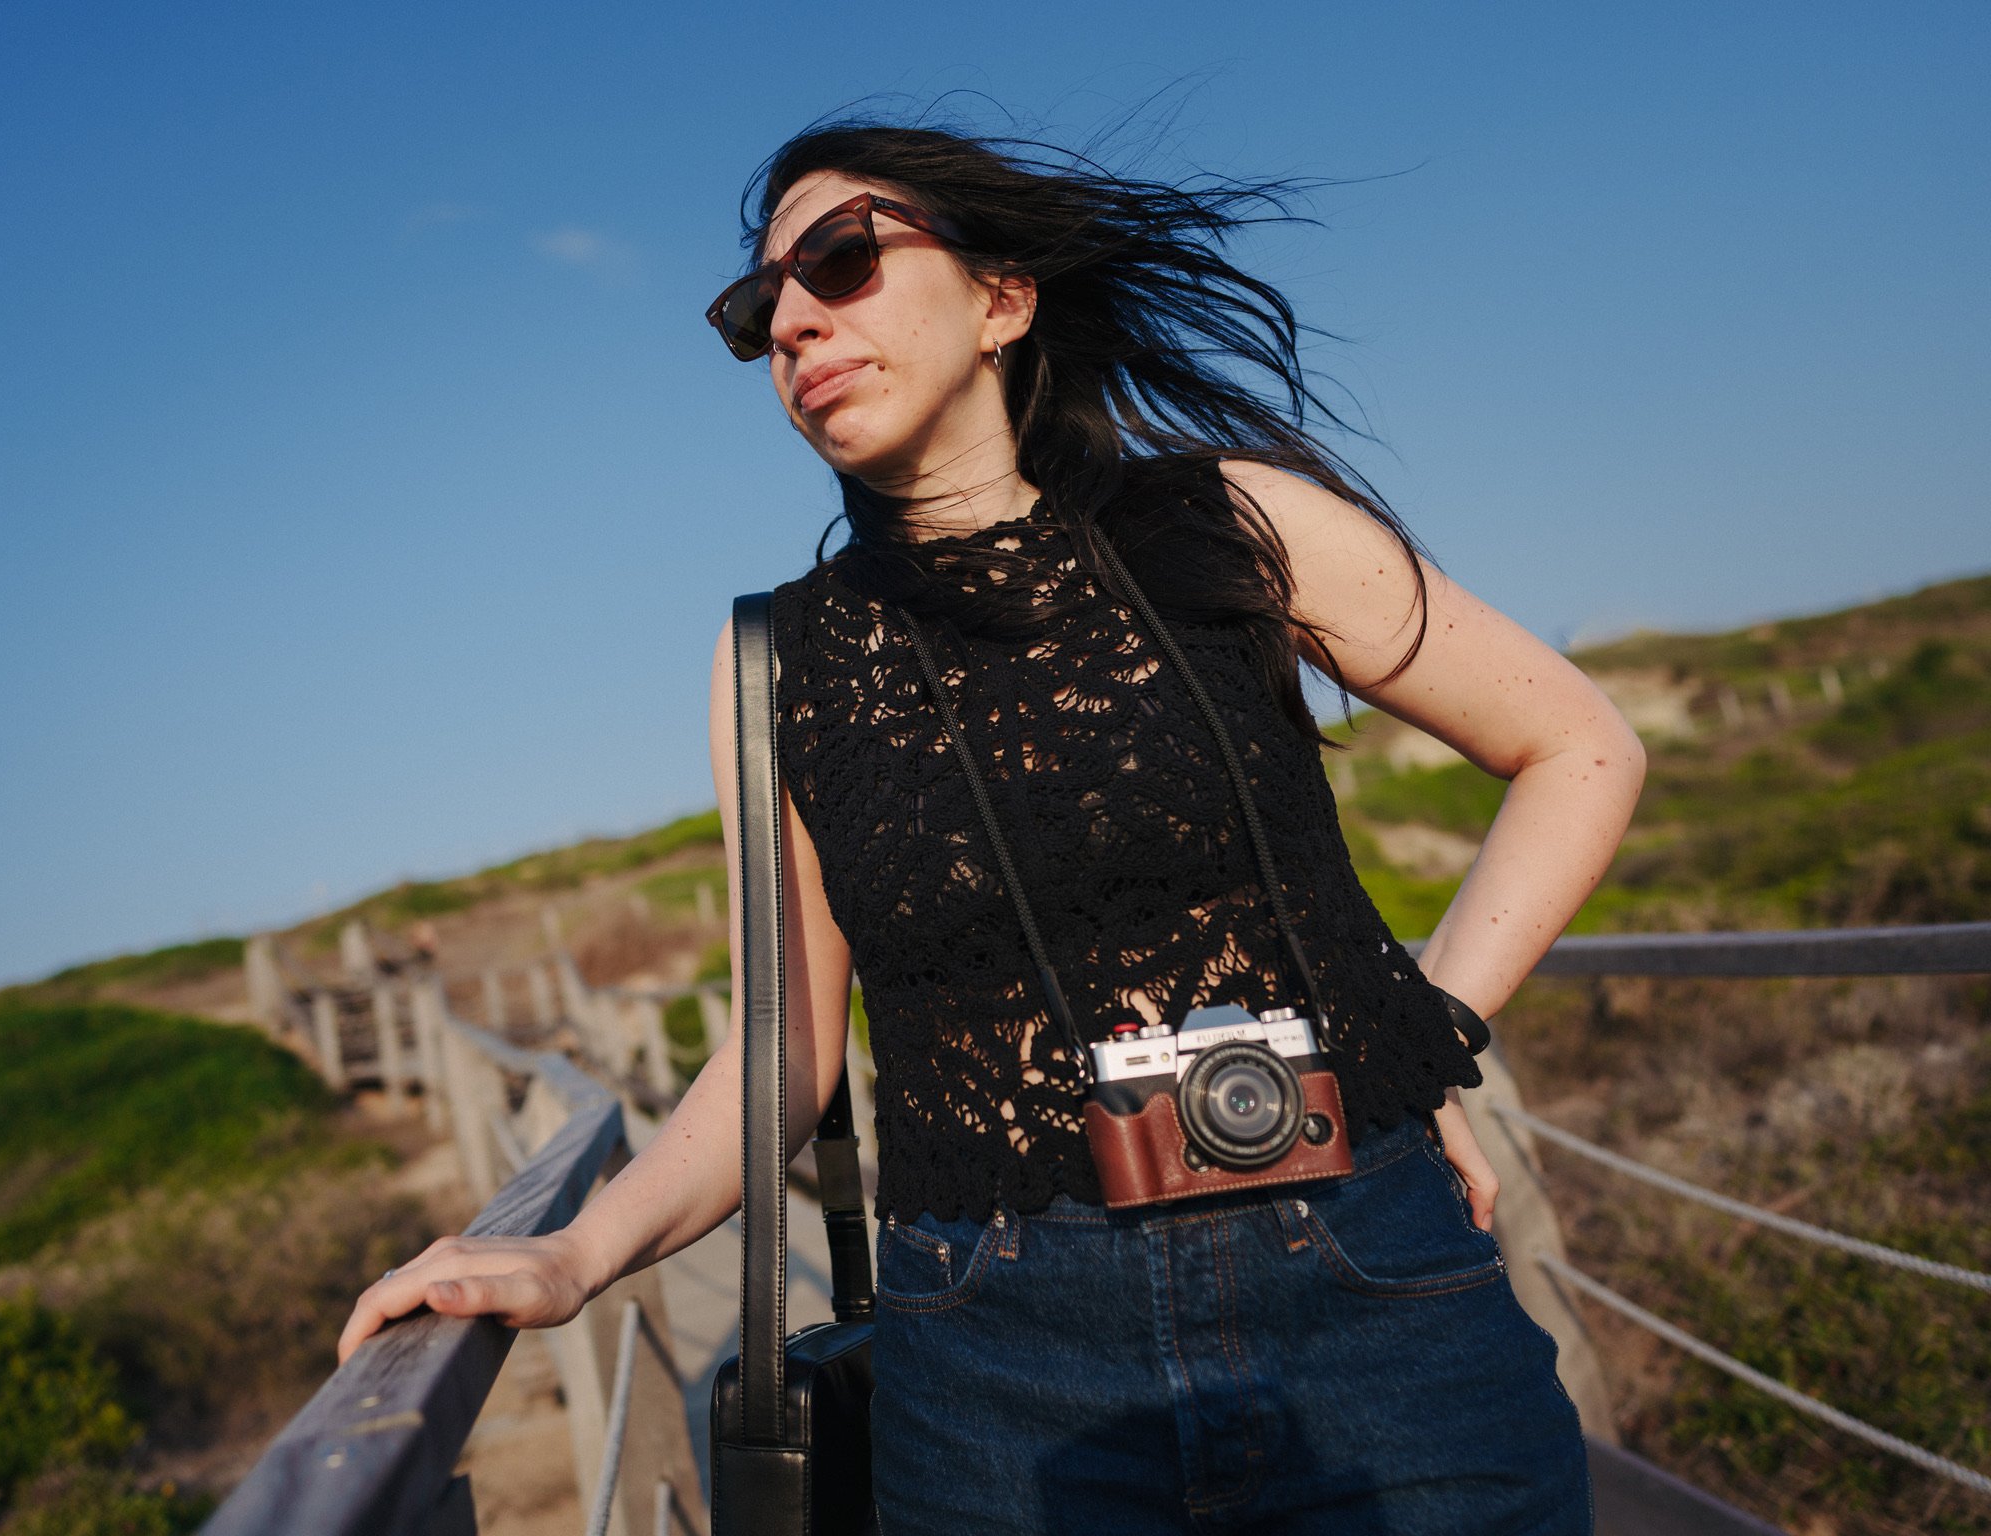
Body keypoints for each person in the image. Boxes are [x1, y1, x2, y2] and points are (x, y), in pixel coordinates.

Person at [339, 120, 1645, 1533]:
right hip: (1001, 1361)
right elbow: (783, 1051)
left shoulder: (1236, 525)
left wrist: (1420, 1034)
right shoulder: (779, 663)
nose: (790, 320)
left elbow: (1576, 744)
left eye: (840, 262)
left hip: (1373, 1294)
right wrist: (575, 1255)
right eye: (756, 305)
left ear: (1002, 300)